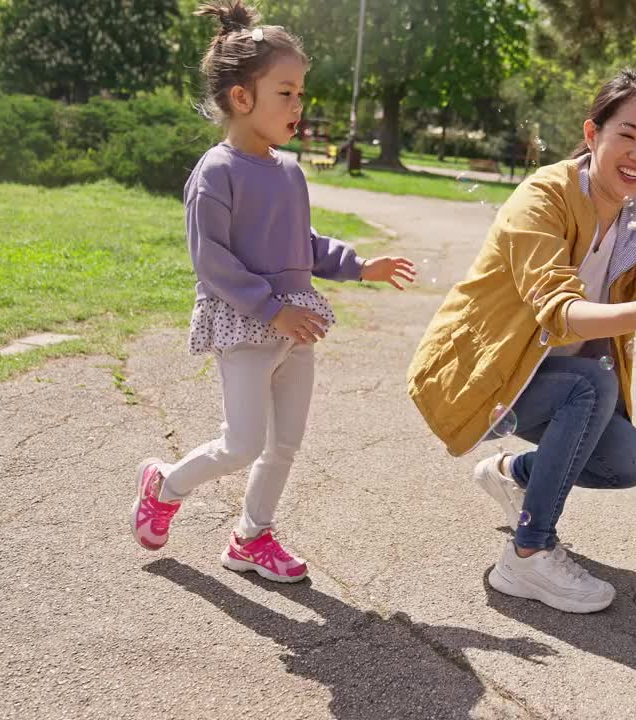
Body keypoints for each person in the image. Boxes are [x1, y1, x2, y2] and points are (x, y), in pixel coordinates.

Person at [407, 71, 636, 614]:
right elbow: (557, 311)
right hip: (482, 377)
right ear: (592, 133)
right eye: (627, 135)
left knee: (629, 461)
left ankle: (516, 476)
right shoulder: (543, 196)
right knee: (589, 384)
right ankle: (527, 554)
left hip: (548, 383)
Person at [129, 0, 415, 583]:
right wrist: (270, 310)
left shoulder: (289, 171)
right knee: (241, 442)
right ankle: (166, 483)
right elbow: (212, 262)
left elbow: (300, 243)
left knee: (284, 445)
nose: (298, 106)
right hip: (247, 325)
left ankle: (250, 537)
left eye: (301, 93)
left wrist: (361, 266)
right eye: (286, 93)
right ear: (242, 98)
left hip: (296, 326)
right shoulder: (217, 172)